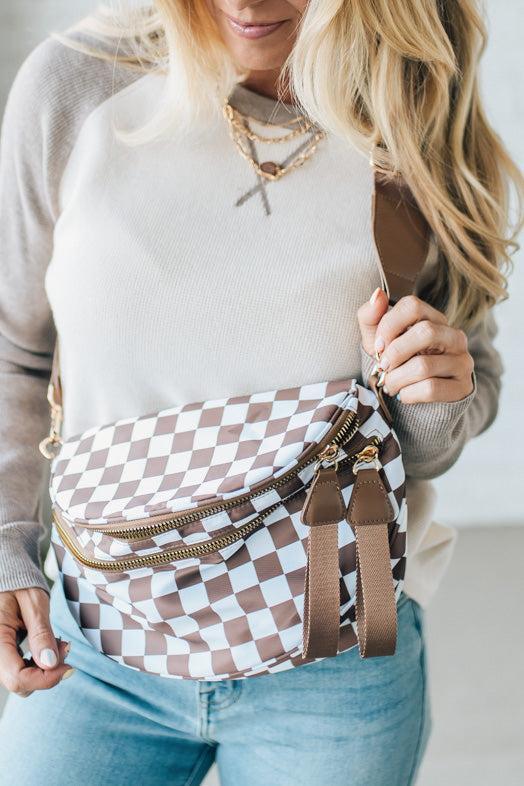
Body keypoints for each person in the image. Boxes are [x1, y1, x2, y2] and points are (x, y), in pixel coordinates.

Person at [0, 1, 521, 784]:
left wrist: (433, 397)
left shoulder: (407, 101)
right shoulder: (76, 84)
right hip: (94, 644)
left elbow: (456, 397)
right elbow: (15, 350)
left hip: (336, 645)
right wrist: (7, 545)